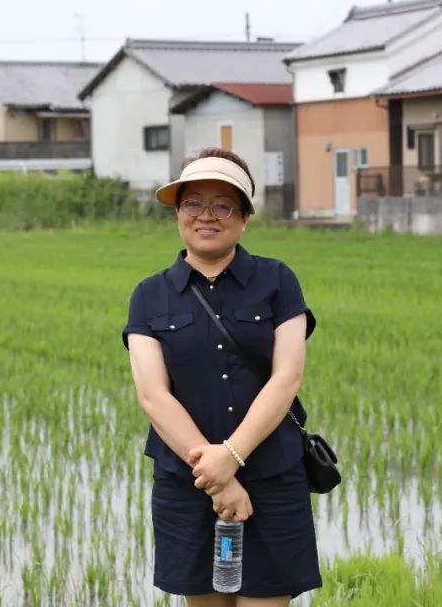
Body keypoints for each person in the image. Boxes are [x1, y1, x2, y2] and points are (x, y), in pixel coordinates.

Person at [123, 148, 321, 606]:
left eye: (223, 205)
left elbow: (287, 377)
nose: (206, 216)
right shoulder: (149, 295)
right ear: (178, 212)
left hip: (272, 476)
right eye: (193, 203)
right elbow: (153, 396)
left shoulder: (277, 281)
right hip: (187, 483)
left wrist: (231, 456)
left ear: (245, 216)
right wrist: (218, 477)